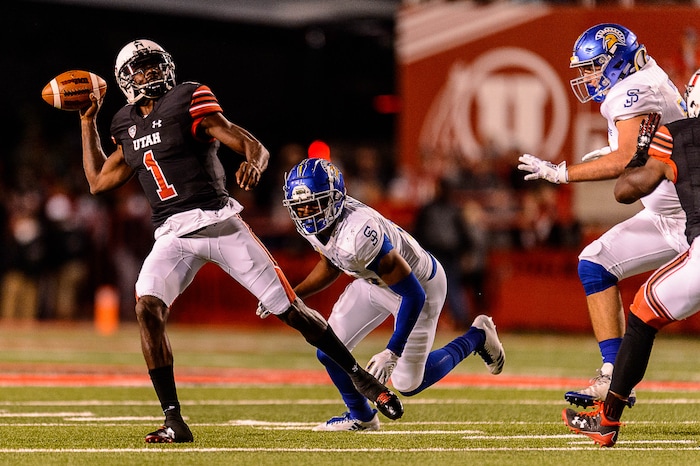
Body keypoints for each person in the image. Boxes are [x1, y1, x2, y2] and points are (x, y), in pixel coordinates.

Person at [77, 39, 402, 443]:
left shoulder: (187, 98)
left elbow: (249, 143)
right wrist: (87, 119)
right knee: (147, 307)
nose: (152, 75)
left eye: (155, 66)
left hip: (219, 223)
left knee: (291, 311)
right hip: (172, 235)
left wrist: (254, 161)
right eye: (141, 70)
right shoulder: (123, 122)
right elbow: (97, 181)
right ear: (126, 78)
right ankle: (174, 419)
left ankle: (363, 379)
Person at [259, 157, 505, 431]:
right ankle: (362, 417)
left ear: (334, 200)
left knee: (407, 383)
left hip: (421, 284)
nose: (306, 212)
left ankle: (478, 335)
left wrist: (392, 352)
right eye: (299, 207)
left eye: (313, 205)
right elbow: (331, 263)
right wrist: (291, 295)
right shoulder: (317, 224)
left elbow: (413, 294)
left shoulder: (359, 235)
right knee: (329, 350)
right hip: (373, 282)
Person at [517, 23, 688, 408]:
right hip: (667, 213)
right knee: (595, 263)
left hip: (687, 218)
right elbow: (640, 148)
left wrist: (562, 173)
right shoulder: (645, 77)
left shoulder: (632, 89)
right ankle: (611, 376)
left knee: (650, 305)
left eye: (594, 66)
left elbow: (627, 158)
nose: (588, 76)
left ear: (617, 60)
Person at [563, 74, 700, 447]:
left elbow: (625, 191)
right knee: (599, 264)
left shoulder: (679, 134)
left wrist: (638, 156)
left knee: (642, 314)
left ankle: (607, 422)